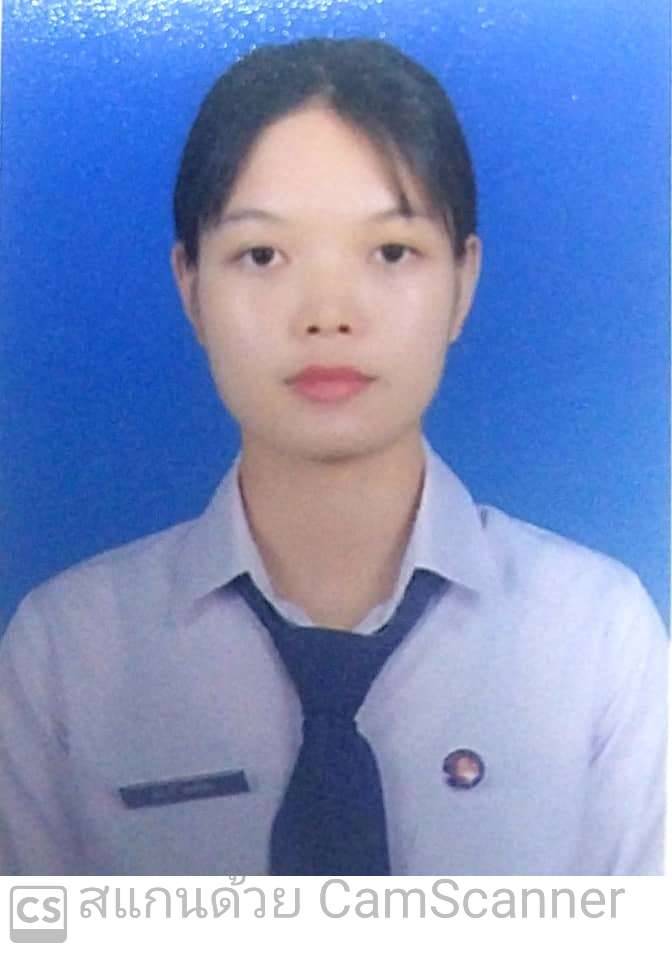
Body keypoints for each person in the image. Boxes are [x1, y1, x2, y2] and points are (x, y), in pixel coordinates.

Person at [0, 37, 667, 876]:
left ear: (463, 282)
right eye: (262, 255)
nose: (327, 313)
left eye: (390, 252)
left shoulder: (597, 638)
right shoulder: (66, 653)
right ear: (190, 286)